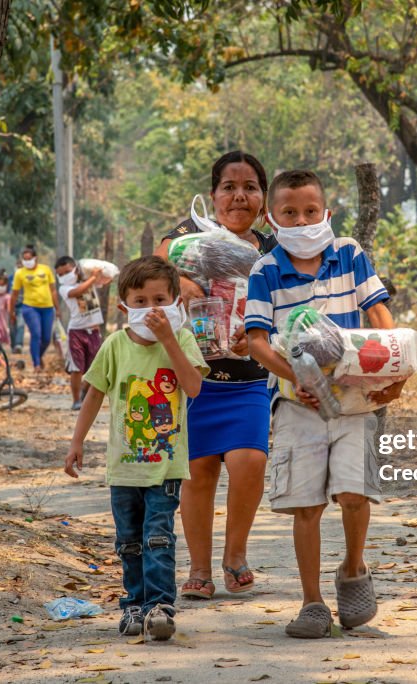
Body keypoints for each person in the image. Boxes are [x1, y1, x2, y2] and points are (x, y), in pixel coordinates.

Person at [244, 169, 407, 638]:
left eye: (310, 211)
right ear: (272, 218)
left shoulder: (349, 254)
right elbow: (257, 341)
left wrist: (392, 370)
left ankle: (353, 570)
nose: (302, 219)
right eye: (290, 212)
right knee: (307, 505)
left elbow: (378, 314)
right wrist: (300, 377)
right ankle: (312, 602)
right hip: (298, 404)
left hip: (357, 400)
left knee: (355, 495)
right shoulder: (266, 269)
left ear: (326, 212)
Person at [153, 150, 276, 598]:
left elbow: (292, 304)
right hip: (194, 381)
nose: (239, 196)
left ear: (263, 199)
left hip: (248, 381)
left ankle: (235, 555)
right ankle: (199, 570)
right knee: (198, 472)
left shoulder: (271, 250)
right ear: (213, 195)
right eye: (229, 187)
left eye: (250, 188)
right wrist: (178, 281)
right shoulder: (187, 238)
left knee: (251, 462)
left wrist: (263, 332)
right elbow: (153, 269)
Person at [65, 256, 208, 640]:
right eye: (141, 301)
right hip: (124, 467)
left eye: (160, 299)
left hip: (166, 466)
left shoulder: (182, 340)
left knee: (158, 534)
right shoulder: (114, 345)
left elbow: (193, 387)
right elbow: (94, 393)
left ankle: (160, 606)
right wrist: (77, 442)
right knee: (128, 540)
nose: (151, 309)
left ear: (176, 302)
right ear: (124, 305)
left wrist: (167, 340)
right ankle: (133, 606)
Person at [55, 256, 110, 410]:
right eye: (60, 274)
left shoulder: (87, 279)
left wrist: (98, 274)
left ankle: (85, 392)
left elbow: (106, 280)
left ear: (75, 268)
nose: (64, 276)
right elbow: (78, 291)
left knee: (95, 367)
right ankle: (76, 400)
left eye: (67, 271)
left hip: (93, 331)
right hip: (76, 332)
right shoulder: (64, 289)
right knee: (76, 368)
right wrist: (93, 277)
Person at [9, 245, 59, 370]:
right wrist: (11, 311)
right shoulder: (20, 273)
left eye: (29, 258)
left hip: (47, 308)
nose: (27, 261)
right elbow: (14, 294)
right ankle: (36, 364)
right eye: (24, 259)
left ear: (35, 258)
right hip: (30, 308)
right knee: (36, 334)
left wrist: (57, 308)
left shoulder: (46, 269)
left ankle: (38, 355)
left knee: (46, 338)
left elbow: (53, 290)